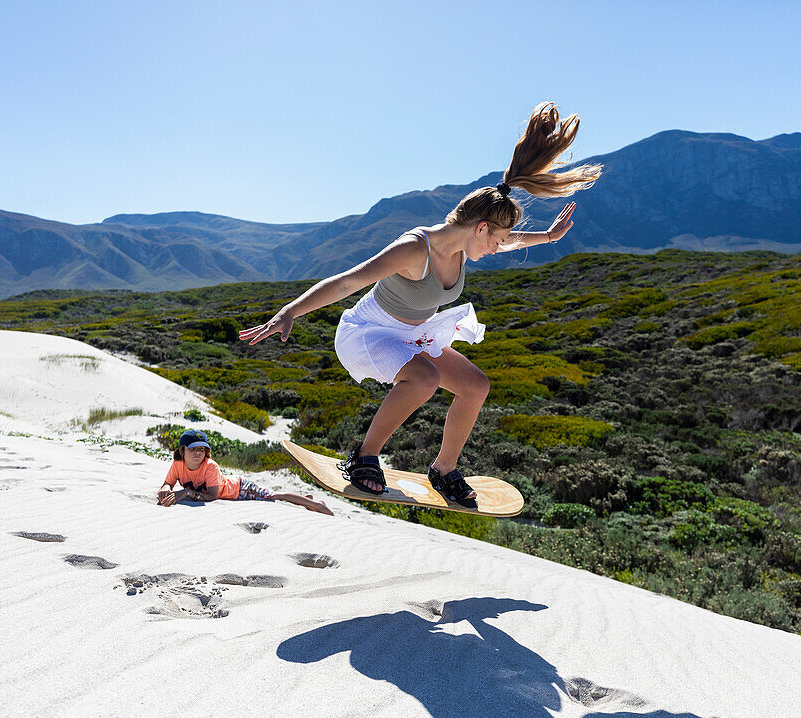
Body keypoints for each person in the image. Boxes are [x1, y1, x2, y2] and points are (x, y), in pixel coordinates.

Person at [239, 102, 601, 507]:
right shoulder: (416, 250)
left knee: (475, 386)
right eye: (497, 240)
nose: (500, 247)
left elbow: (511, 240)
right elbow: (348, 281)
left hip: (414, 335)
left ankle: (444, 468)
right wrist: (290, 312)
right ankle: (364, 457)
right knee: (425, 379)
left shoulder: (467, 246)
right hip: (368, 333)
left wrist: (548, 238)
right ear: (481, 228)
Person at [157, 429, 333, 515]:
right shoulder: (177, 463)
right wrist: (165, 488)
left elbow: (212, 496)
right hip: (230, 490)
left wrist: (186, 492)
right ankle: (304, 500)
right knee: (273, 496)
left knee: (273, 496)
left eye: (202, 449)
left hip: (239, 488)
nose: (198, 453)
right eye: (193, 449)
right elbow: (169, 482)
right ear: (182, 450)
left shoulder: (210, 466)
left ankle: (317, 505)